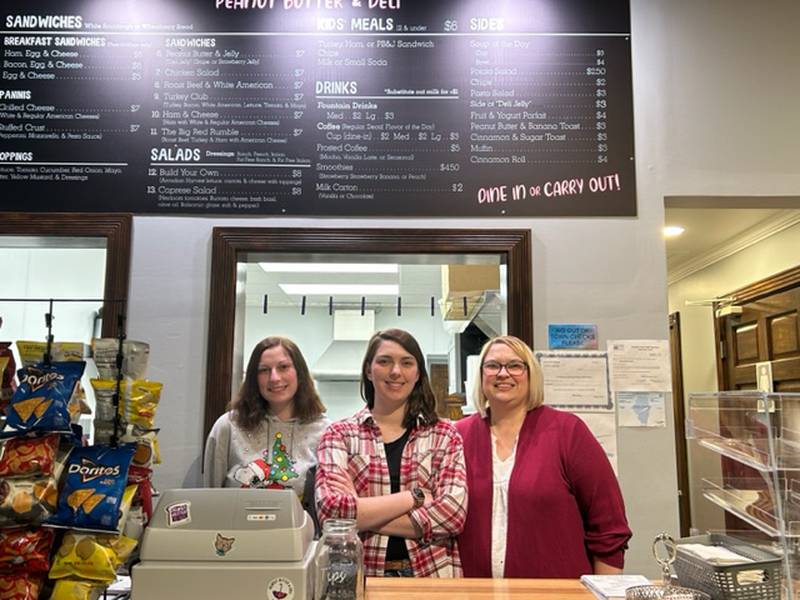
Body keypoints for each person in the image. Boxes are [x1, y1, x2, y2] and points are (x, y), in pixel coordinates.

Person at [456, 335, 631, 578]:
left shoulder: (568, 432)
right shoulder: (457, 437)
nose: (503, 373)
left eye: (515, 366)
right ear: (481, 374)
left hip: (557, 592)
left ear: (531, 375)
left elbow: (608, 526)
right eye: (493, 365)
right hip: (475, 592)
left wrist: (605, 593)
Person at [315, 328, 467, 577]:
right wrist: (414, 497)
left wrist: (361, 514)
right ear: (368, 370)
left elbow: (452, 516)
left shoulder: (444, 435)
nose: (395, 371)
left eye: (407, 363)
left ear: (418, 373)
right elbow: (331, 514)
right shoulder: (339, 434)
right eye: (384, 361)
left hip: (431, 575)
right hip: (359, 577)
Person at [203, 336, 330, 504]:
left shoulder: (325, 431)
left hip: (300, 530)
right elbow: (210, 500)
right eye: (264, 370)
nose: (274, 378)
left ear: (299, 372)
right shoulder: (228, 426)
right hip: (235, 530)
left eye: (283, 367)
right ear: (253, 379)